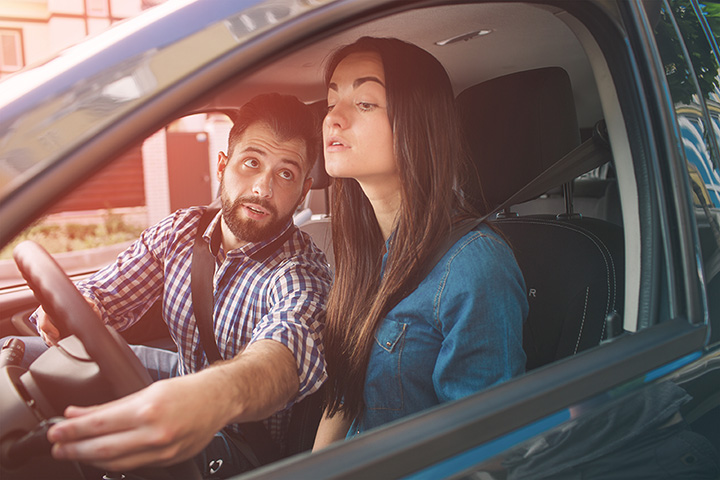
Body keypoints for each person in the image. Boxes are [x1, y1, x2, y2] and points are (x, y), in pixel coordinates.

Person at [11, 93, 332, 477]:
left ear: (303, 190)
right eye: (251, 162)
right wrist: (78, 306)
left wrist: (209, 398)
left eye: (285, 174)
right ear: (222, 165)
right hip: (182, 376)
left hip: (244, 443)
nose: (263, 188)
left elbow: (284, 358)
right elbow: (102, 293)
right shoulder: (182, 231)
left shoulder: (301, 272)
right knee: (20, 356)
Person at [312, 37, 528, 448]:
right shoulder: (365, 254)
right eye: (331, 102)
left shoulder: (475, 266)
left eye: (365, 103)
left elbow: (480, 449)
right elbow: (342, 402)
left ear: (417, 122)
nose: (332, 120)